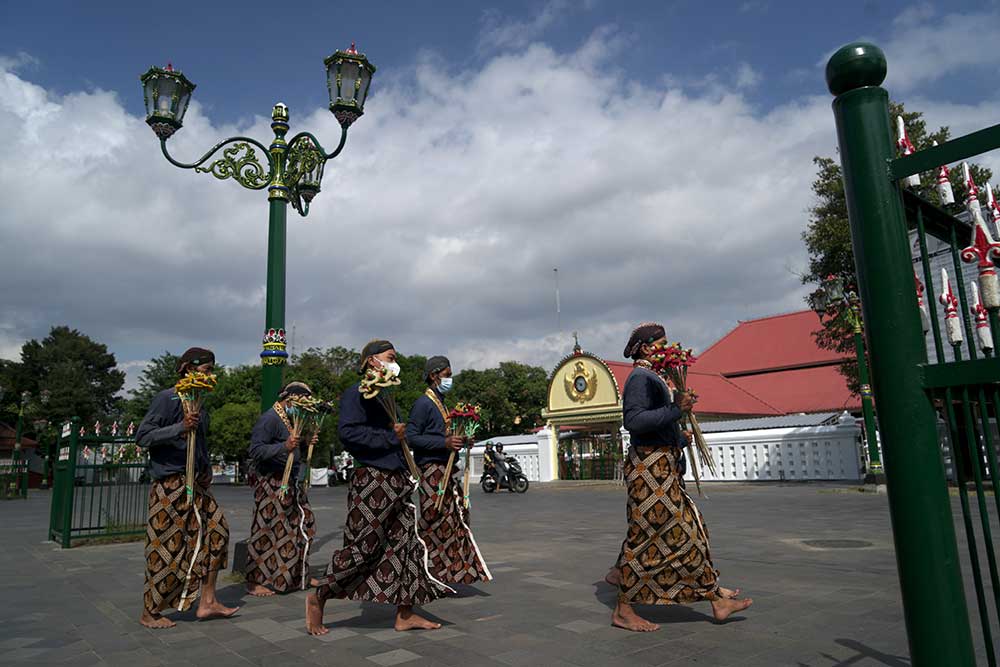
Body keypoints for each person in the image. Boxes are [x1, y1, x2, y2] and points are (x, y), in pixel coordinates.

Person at [611, 323, 752, 632]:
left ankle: (715, 597)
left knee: (691, 530)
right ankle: (623, 609)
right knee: (649, 538)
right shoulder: (640, 378)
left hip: (663, 467)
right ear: (647, 349)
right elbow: (633, 421)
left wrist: (679, 434)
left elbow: (657, 423)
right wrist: (675, 411)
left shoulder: (654, 377)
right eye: (661, 343)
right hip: (650, 471)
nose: (666, 346)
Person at [306, 340, 451, 635]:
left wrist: (398, 439)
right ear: (372, 361)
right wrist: (390, 437)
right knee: (364, 546)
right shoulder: (356, 393)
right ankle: (320, 595)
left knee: (407, 545)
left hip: (396, 478)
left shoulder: (384, 394)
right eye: (390, 357)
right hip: (372, 480)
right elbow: (348, 433)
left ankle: (405, 613)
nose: (394, 362)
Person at [135, 347, 238, 629]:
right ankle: (150, 611)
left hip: (197, 484)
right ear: (188, 370)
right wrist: (179, 427)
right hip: (170, 484)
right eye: (205, 371)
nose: (209, 376)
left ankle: (207, 601)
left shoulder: (200, 406)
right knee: (167, 546)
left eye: (210, 371)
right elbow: (143, 436)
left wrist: (205, 470)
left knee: (218, 533)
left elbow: (200, 446)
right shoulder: (167, 399)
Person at [406, 356, 492, 585]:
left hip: (448, 470)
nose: (450, 379)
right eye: (447, 374)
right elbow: (411, 437)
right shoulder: (423, 404)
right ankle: (425, 572)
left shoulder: (442, 403)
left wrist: (462, 441)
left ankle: (446, 574)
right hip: (432, 471)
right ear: (434, 376)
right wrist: (443, 444)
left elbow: (445, 435)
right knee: (434, 522)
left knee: (454, 522)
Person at [245, 381, 318, 596]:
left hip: (290, 482)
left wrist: (305, 442)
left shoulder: (291, 419)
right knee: (265, 532)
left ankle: (295, 574)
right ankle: (254, 580)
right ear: (289, 400)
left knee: (302, 526)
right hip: (271, 482)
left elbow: (293, 447)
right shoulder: (270, 419)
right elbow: (256, 450)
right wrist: (283, 447)